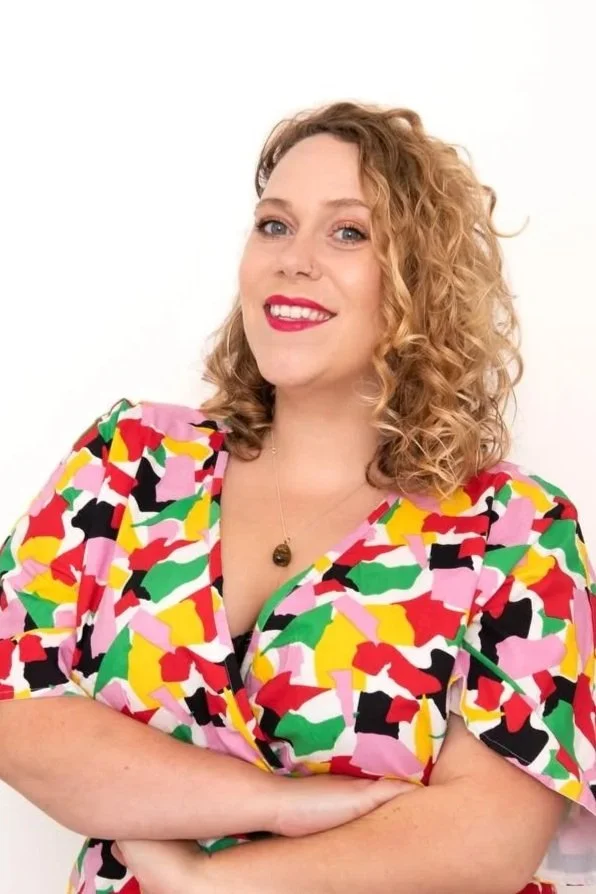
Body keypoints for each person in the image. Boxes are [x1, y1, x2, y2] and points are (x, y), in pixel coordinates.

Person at [0, 100, 594, 894]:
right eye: (274, 225)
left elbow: (487, 838)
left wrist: (205, 883)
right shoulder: (130, 461)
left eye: (349, 232)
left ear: (421, 279)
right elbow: (15, 707)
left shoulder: (515, 531)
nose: (293, 259)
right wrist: (275, 804)